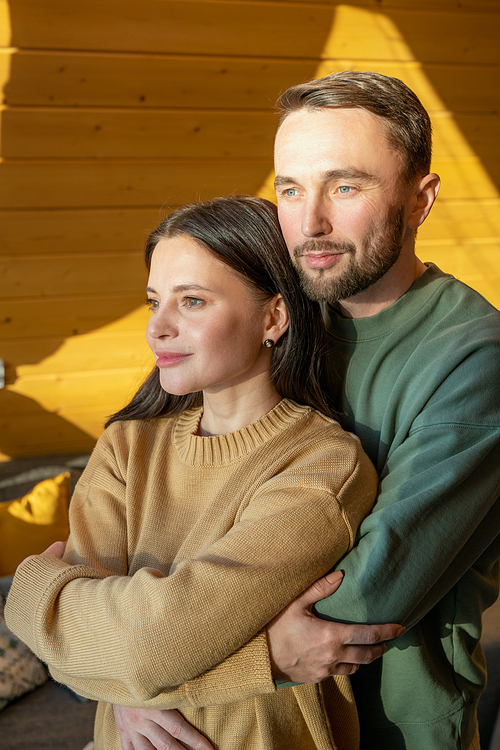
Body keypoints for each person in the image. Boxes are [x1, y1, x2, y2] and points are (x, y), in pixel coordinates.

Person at [105, 72, 500, 750]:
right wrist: (124, 672)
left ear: (419, 199)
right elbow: (147, 497)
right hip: (227, 724)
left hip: (389, 723)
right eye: (291, 189)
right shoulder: (268, 312)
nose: (310, 221)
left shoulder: (474, 359)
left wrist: (141, 668)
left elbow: (371, 592)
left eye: (346, 187)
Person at [5, 195, 401, 750]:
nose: (158, 328)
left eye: (191, 301)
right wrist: (268, 658)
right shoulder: (126, 446)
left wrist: (34, 588)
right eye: (153, 302)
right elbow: (84, 652)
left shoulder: (323, 466)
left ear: (274, 316)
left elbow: (145, 648)